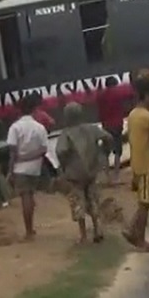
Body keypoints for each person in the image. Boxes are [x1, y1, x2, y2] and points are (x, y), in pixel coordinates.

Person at [55, 102, 110, 245]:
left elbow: (61, 151)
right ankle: (98, 230)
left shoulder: (66, 133)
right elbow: (107, 137)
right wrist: (104, 152)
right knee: (93, 200)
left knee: (78, 203)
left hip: (75, 173)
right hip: (92, 170)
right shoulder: (92, 128)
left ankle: (83, 235)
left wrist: (64, 165)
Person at [123, 76, 149, 252]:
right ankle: (140, 239)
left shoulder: (132, 114)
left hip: (137, 163)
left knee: (144, 201)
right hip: (148, 164)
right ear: (147, 95)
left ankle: (132, 230)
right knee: (145, 204)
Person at [6, 92, 50, 240]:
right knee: (30, 195)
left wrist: (10, 171)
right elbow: (43, 149)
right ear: (33, 109)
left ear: (19, 110)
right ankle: (31, 228)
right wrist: (31, 157)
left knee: (26, 197)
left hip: (20, 168)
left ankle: (29, 231)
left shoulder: (15, 128)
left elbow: (13, 153)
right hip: (35, 167)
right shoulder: (39, 127)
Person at [95, 75, 132, 185]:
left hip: (106, 126)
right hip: (117, 125)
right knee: (117, 151)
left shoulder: (101, 96)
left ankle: (107, 176)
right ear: (115, 84)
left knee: (105, 151)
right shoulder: (118, 94)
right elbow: (128, 100)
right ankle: (116, 176)